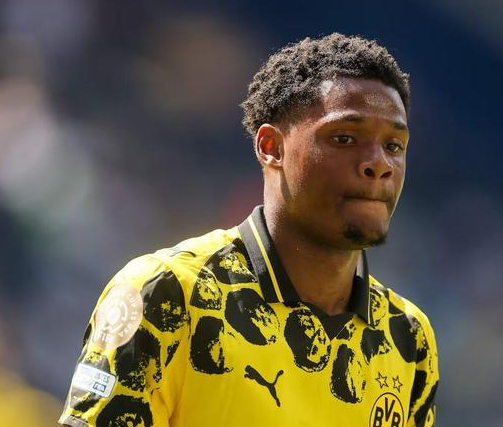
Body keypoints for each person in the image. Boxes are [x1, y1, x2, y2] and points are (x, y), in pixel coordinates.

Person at [59, 33, 439, 427]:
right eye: (344, 138)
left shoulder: (408, 335)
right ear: (271, 147)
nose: (379, 164)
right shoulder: (169, 294)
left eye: (394, 146)